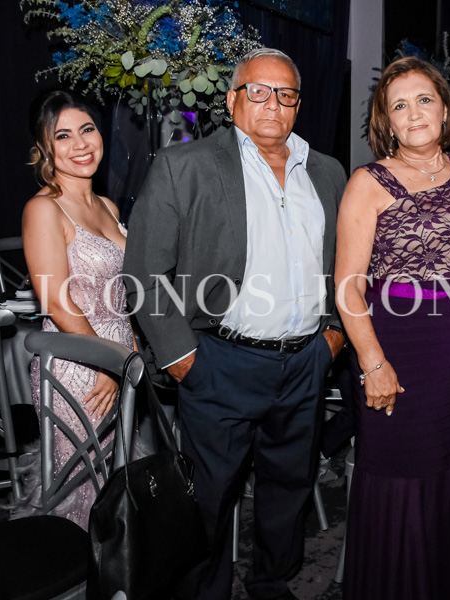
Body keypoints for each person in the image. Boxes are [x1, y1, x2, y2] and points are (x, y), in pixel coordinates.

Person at [123, 48, 347, 600]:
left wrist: (333, 334)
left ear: (298, 104)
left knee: (290, 486)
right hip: (218, 360)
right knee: (208, 496)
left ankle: (272, 581)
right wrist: (182, 357)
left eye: (286, 94)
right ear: (232, 100)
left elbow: (345, 261)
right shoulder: (184, 165)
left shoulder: (327, 171)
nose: (273, 104)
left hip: (306, 360)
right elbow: (144, 272)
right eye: (258, 91)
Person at [334, 56, 450, 600]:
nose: (415, 113)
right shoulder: (368, 182)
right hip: (397, 343)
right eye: (399, 105)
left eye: (424, 99)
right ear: (387, 121)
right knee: (399, 473)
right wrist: (372, 363)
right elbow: (348, 287)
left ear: (445, 109)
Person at [13, 90, 133, 531]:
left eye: (87, 129)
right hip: (79, 367)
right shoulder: (43, 209)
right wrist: (109, 362)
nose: (80, 144)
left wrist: (130, 355)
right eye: (63, 136)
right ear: (44, 148)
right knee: (83, 488)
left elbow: (125, 295)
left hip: (120, 361)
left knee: (119, 483)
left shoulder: (108, 207)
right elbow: (57, 303)